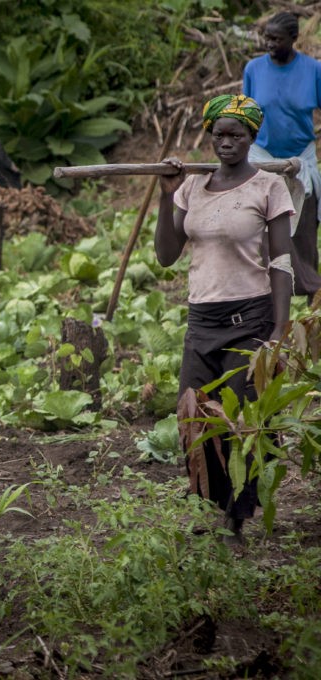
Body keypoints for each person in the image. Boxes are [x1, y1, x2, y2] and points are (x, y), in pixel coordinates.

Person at [155, 94, 294, 545]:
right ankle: (209, 505)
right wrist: (164, 195)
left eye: (236, 135)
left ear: (253, 137)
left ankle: (236, 516)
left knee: (241, 421)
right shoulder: (192, 186)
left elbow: (281, 263)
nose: (226, 142)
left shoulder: (268, 188)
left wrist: (278, 329)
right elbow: (165, 255)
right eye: (219, 134)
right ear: (210, 136)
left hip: (249, 319)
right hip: (201, 322)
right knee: (194, 419)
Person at [243, 11, 321, 297]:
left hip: (300, 159)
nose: (269, 43)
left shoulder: (313, 70)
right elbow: (245, 118)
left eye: (276, 39)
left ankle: (312, 299)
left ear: (294, 39)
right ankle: (264, 296)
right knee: (259, 230)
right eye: (267, 37)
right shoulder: (253, 69)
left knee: (303, 234)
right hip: (262, 155)